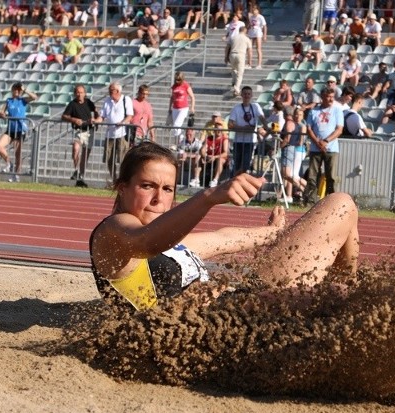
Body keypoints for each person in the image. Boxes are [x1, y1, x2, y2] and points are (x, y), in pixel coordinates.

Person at [88, 142, 359, 312]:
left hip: (246, 305)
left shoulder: (174, 244)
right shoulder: (112, 234)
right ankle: (349, 302)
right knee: (339, 209)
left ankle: (353, 297)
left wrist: (272, 232)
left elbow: (225, 238)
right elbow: (147, 242)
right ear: (122, 188)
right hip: (227, 326)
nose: (159, 198)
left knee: (341, 205)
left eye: (168, 189)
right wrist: (208, 198)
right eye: (148, 186)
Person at [303, 87, 344, 205]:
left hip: (331, 148)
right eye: (328, 96)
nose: (330, 99)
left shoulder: (337, 111)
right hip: (316, 148)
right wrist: (317, 142)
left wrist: (326, 141)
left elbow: (339, 129)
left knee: (331, 176)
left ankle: (331, 202)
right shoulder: (314, 111)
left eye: (332, 97)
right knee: (312, 176)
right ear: (322, 97)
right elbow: (309, 128)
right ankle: (310, 201)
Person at [0, 83, 37, 183]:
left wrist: (25, 89)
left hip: (20, 130)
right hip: (10, 129)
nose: (17, 91)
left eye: (19, 90)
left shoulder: (22, 100)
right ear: (12, 90)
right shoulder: (9, 101)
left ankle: (16, 174)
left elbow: (34, 97)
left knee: (18, 153)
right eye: (15, 89)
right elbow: (2, 111)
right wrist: (2, 114)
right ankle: (9, 163)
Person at [62, 85, 98, 188]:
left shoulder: (89, 102)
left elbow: (96, 112)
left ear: (85, 93)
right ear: (75, 93)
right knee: (75, 148)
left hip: (89, 131)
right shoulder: (72, 104)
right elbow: (64, 116)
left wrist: (95, 120)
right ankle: (77, 170)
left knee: (85, 156)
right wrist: (74, 120)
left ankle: (80, 176)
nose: (79, 94)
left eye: (81, 92)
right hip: (78, 130)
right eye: (77, 92)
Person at [228, 86, 270, 175]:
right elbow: (230, 125)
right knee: (237, 164)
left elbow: (262, 119)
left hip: (250, 141)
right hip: (238, 141)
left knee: (245, 165)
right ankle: (233, 182)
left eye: (248, 94)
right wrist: (243, 129)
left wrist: (267, 129)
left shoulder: (255, 106)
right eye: (245, 94)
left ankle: (236, 181)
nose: (247, 96)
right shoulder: (236, 108)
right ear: (241, 95)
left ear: (251, 95)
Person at [98, 82, 134, 180]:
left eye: (111, 90)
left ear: (117, 91)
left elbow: (130, 116)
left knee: (122, 159)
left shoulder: (126, 100)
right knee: (109, 159)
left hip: (122, 134)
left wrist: (122, 122)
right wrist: (97, 120)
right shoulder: (107, 101)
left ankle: (122, 179)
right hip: (109, 134)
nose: (109, 92)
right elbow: (102, 116)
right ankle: (114, 179)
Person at [280, 106, 307, 203]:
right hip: (295, 149)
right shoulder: (296, 124)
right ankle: (291, 194)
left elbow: (300, 141)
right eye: (296, 114)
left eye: (300, 114)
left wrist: (281, 146)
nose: (297, 116)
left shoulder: (301, 125)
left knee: (292, 175)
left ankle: (307, 191)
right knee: (292, 175)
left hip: (298, 150)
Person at [227, 26, 252, 97]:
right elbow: (249, 51)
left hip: (232, 54)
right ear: (245, 31)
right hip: (241, 55)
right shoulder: (247, 39)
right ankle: (236, 88)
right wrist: (249, 60)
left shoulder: (233, 37)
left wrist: (226, 57)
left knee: (234, 69)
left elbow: (227, 47)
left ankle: (233, 81)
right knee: (240, 73)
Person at [169, 71, 196, 136]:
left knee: (176, 125)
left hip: (183, 108)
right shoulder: (174, 86)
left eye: (179, 80)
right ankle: (179, 140)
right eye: (176, 80)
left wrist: (192, 107)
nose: (177, 81)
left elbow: (192, 96)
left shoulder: (185, 85)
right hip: (175, 108)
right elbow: (172, 97)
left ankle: (179, 140)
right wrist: (170, 107)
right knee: (176, 127)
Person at [247, 5, 267, 70]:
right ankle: (249, 64)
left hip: (258, 33)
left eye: (255, 10)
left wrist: (264, 35)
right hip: (251, 33)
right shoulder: (251, 17)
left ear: (258, 10)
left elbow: (264, 26)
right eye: (253, 10)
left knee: (258, 49)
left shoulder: (261, 17)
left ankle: (259, 64)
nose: (254, 11)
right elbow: (250, 25)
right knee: (249, 48)